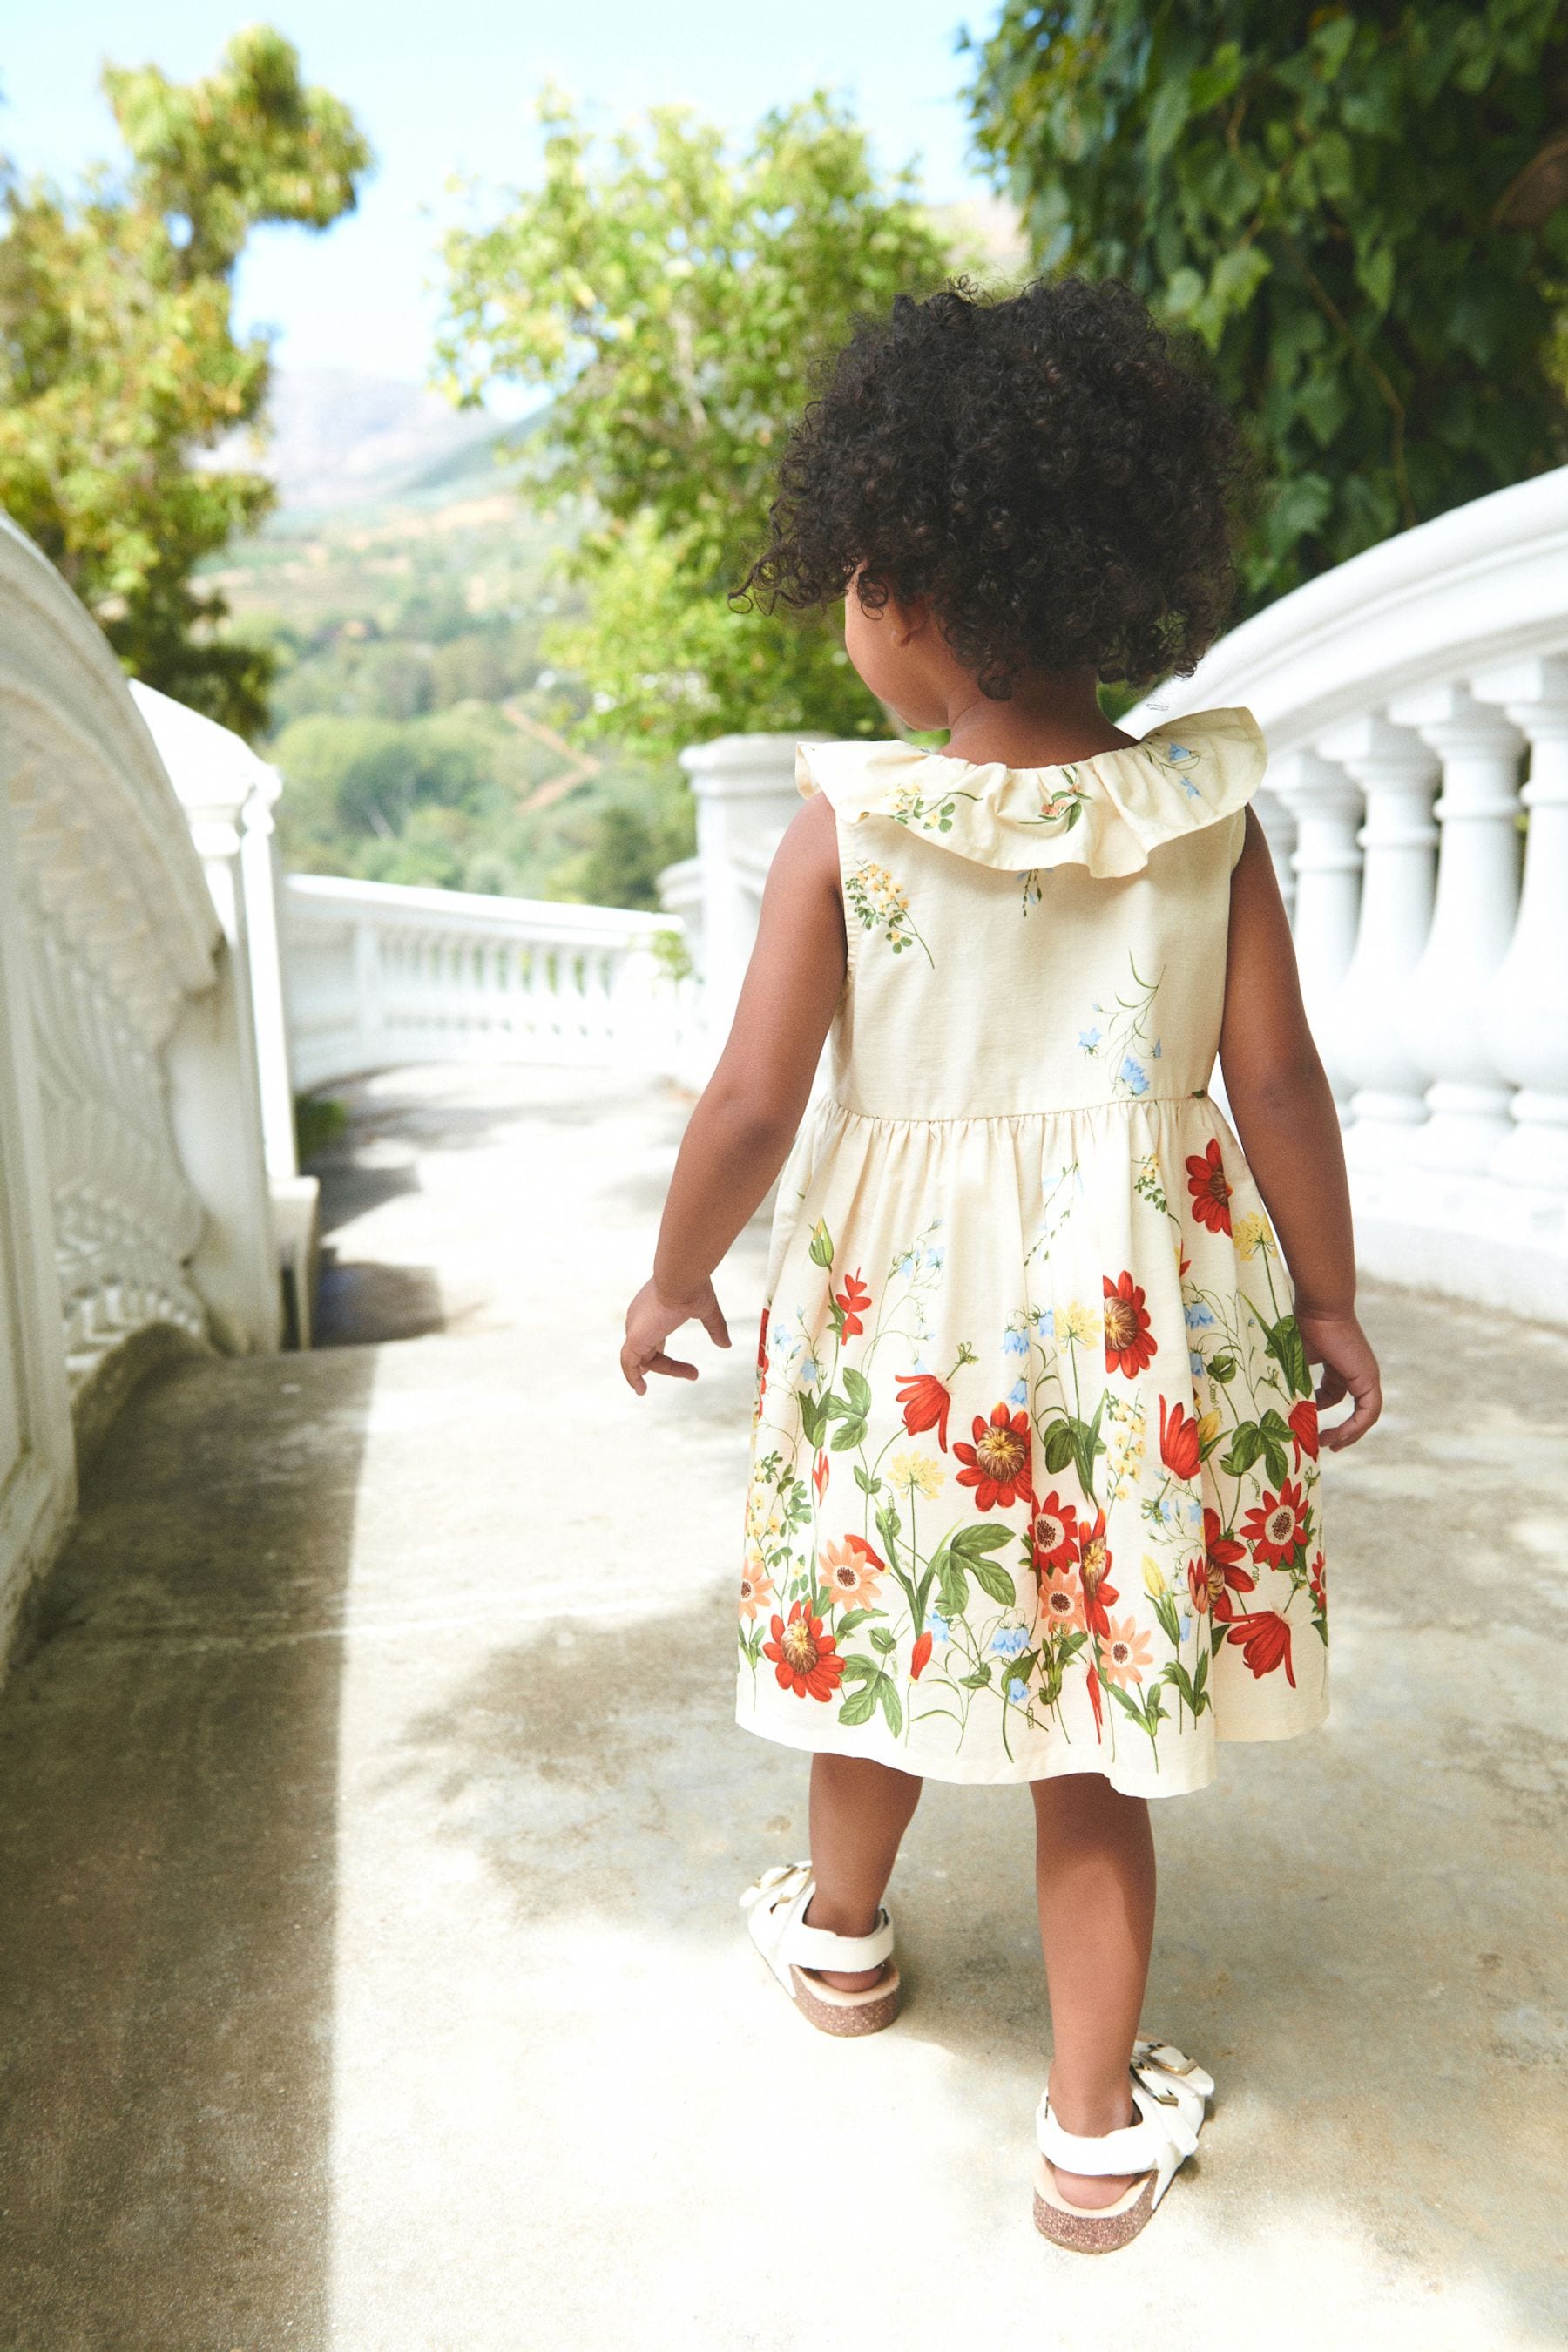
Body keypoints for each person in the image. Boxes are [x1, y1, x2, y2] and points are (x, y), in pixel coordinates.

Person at [620, 276, 1382, 2254]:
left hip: (913, 1344)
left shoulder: (852, 830)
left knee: (890, 1635)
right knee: (1091, 1735)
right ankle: (1092, 2126)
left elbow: (749, 1106)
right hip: (1134, 1330)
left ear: (920, 591)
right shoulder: (1200, 817)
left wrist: (672, 1274)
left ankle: (845, 1942)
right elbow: (1278, 1078)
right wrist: (1330, 1295)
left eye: (859, 578)